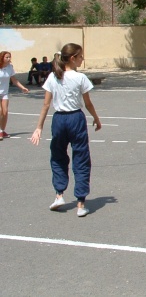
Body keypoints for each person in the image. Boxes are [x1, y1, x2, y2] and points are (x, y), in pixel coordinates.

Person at [29, 43, 101, 217]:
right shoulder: (80, 77)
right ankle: (80, 203)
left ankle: (59, 194)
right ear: (73, 58)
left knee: (58, 156)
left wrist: (39, 127)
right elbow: (88, 103)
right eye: (80, 56)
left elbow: (46, 104)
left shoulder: (53, 77)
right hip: (76, 118)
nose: (82, 59)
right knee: (81, 157)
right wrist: (96, 118)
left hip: (59, 119)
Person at [0, 51, 30, 139]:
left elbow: (14, 80)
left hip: (4, 93)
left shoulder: (10, 67)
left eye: (9, 57)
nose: (9, 59)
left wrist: (22, 88)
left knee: (5, 112)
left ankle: (2, 130)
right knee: (0, 111)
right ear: (2, 58)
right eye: (7, 57)